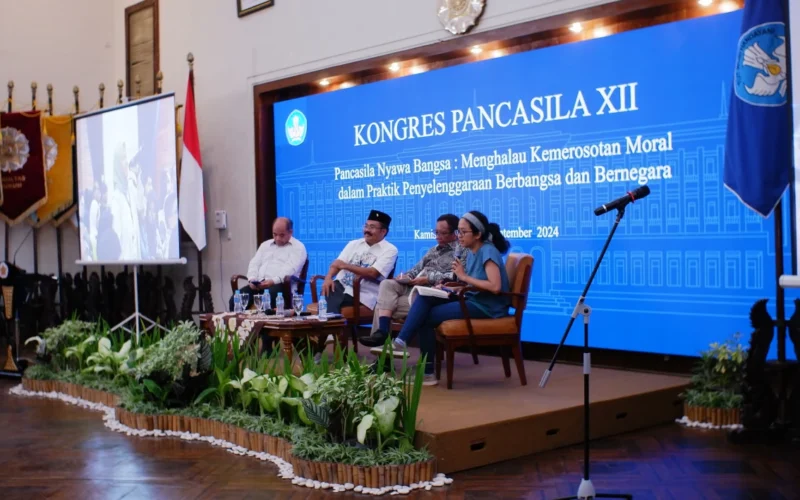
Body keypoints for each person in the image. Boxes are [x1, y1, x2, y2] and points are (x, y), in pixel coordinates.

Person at [388, 211, 511, 386]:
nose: (459, 236)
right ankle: (402, 342)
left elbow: (495, 287)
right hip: (473, 298)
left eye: (463, 232)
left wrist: (464, 277)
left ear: (477, 234)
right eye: (458, 232)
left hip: (486, 307)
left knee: (426, 317)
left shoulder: (487, 251)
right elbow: (477, 283)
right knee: (425, 297)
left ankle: (426, 370)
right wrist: (450, 287)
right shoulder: (474, 251)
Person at [358, 214, 462, 348]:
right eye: (436, 232)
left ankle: (382, 354)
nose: (437, 236)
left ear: (455, 233)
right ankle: (383, 337)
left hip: (431, 294)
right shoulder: (433, 250)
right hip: (414, 288)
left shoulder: (461, 251)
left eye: (443, 233)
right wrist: (406, 277)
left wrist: (427, 279)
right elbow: (416, 268)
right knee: (387, 284)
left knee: (382, 306)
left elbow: (456, 276)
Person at [320, 210, 398, 315]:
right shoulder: (353, 244)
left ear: (383, 231)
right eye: (366, 226)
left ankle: (330, 328)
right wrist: (328, 277)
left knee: (329, 298)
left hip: (362, 294)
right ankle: (332, 328)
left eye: (372, 227)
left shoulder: (390, 250)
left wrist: (345, 266)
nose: (367, 230)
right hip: (340, 286)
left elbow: (373, 273)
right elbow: (337, 263)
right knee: (330, 288)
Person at [229, 217, 307, 311]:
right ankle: (241, 326)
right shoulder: (265, 245)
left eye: (282, 235)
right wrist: (252, 279)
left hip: (281, 286)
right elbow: (254, 263)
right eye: (275, 234)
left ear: (290, 232)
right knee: (234, 300)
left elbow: (290, 270)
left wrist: (272, 281)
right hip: (258, 286)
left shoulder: (298, 247)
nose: (277, 238)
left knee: (269, 297)